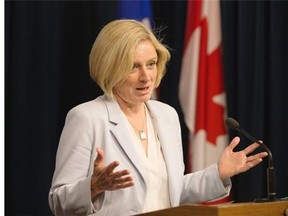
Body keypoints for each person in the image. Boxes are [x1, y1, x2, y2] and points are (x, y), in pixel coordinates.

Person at [48, 19, 268, 216]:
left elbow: (171, 191)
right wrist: (93, 186)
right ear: (110, 67)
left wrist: (218, 174)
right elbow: (58, 202)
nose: (146, 77)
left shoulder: (166, 115)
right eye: (133, 67)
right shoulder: (86, 117)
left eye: (151, 64)